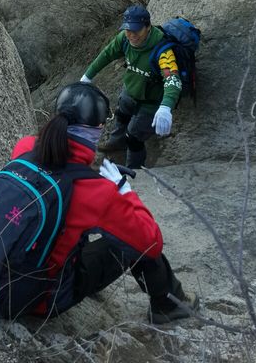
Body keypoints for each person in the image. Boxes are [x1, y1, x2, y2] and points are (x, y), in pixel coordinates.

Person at [10, 82, 198, 322]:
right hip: (43, 299)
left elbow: (60, 176)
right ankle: (168, 305)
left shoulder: (24, 147)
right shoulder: (96, 192)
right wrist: (123, 192)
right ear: (97, 129)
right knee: (130, 240)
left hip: (1, 275)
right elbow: (151, 242)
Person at [80, 5, 182, 168]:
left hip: (151, 102)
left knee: (133, 138)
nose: (132, 35)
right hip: (130, 91)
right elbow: (107, 54)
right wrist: (87, 76)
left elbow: (172, 79)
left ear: (148, 27)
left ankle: (133, 171)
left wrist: (165, 107)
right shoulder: (124, 39)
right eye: (128, 30)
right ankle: (116, 144)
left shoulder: (162, 51)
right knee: (122, 115)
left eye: (137, 30)